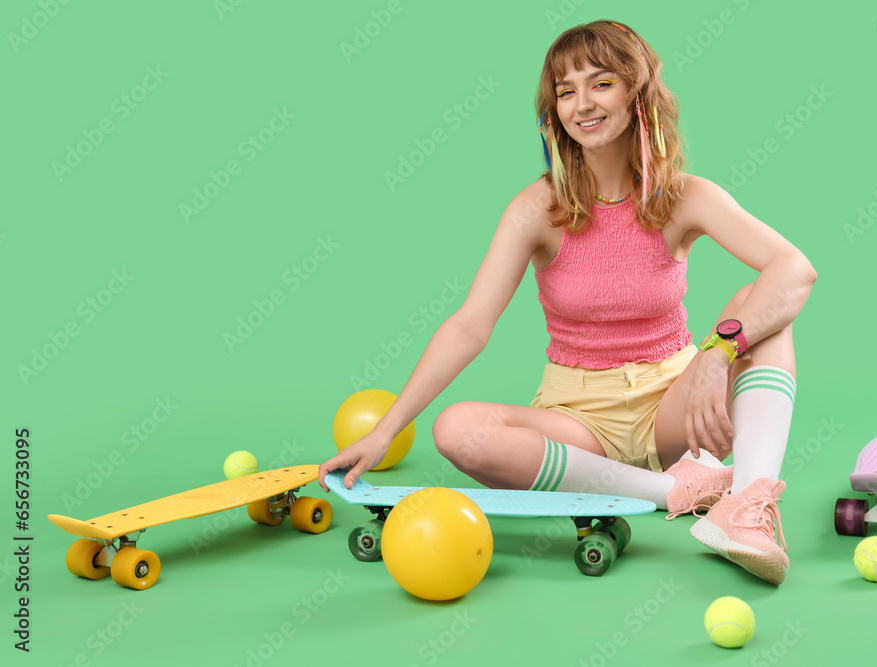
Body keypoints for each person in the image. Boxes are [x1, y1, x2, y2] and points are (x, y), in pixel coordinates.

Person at [319, 19, 816, 586]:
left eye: (601, 82)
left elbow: (795, 271)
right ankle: (675, 490)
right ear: (552, 111)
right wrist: (385, 430)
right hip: (576, 421)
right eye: (565, 90)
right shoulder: (536, 209)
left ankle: (745, 508)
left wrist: (715, 353)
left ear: (638, 92)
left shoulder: (686, 197)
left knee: (764, 304)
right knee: (458, 430)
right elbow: (469, 325)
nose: (582, 103)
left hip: (671, 409)